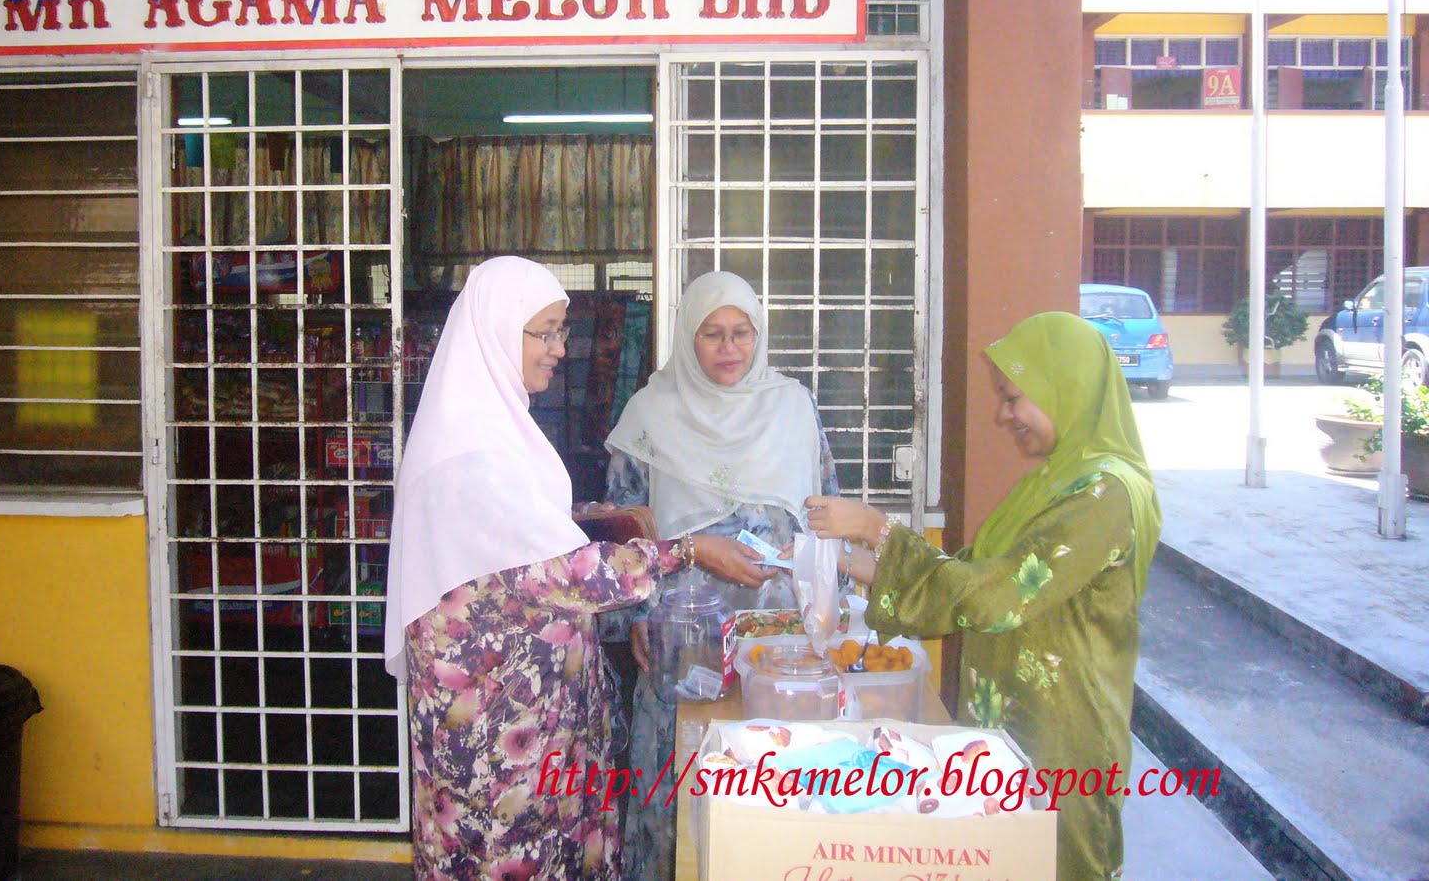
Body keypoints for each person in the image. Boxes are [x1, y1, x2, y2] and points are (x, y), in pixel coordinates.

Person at [385, 256, 721, 880]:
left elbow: (516, 541)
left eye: (560, 330)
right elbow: (560, 574)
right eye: (542, 332)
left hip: (537, 722)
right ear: (494, 329)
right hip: (496, 740)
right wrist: (687, 551)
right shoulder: (471, 453)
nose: (559, 349)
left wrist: (591, 516)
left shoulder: (493, 431)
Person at [804, 311, 1162, 881]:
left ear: (1063, 386)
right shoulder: (1050, 483)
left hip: (1061, 740)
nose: (1003, 415)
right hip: (1008, 727)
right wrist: (842, 563)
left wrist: (879, 528)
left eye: (1014, 397)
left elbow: (994, 599)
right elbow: (964, 572)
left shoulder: (1106, 492)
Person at [602, 270, 838, 881]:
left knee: (770, 778)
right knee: (676, 777)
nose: (730, 348)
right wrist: (635, 616)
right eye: (712, 334)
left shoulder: (792, 406)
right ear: (688, 337)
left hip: (778, 635)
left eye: (741, 333)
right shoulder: (650, 412)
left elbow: (826, 510)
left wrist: (829, 605)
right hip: (682, 636)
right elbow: (624, 524)